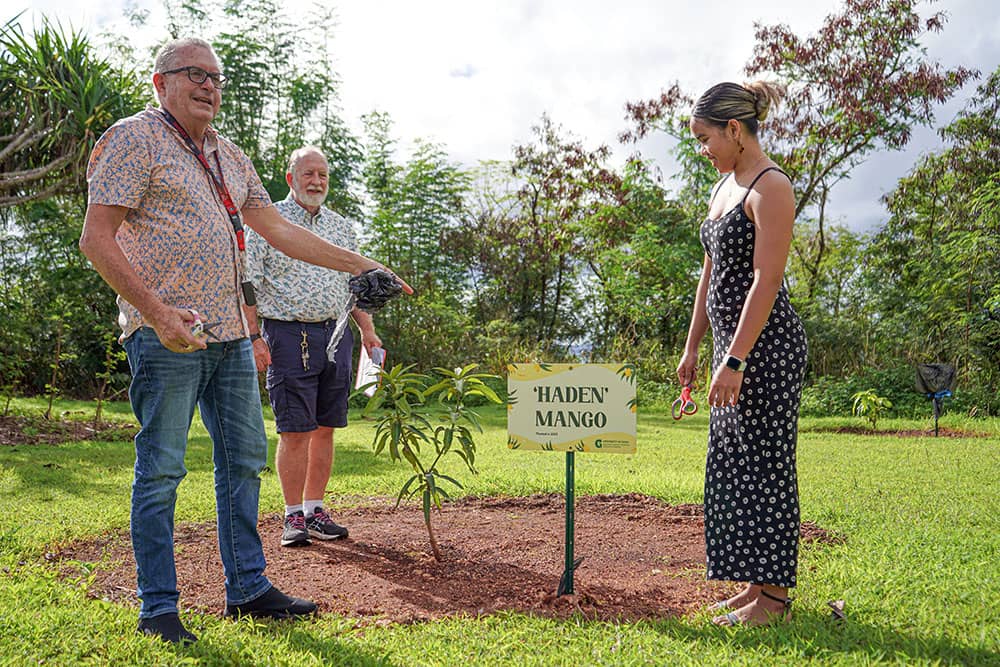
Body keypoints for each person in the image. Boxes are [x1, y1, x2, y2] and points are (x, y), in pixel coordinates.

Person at [78, 38, 409, 644]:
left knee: (243, 465)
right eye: (194, 75)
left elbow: (279, 229)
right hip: (165, 338)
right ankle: (158, 608)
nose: (209, 86)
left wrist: (359, 264)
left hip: (230, 338)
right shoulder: (133, 138)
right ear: (161, 82)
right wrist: (156, 313)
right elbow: (96, 238)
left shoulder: (228, 155)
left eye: (216, 77)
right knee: (161, 472)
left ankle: (248, 589)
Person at [675, 81, 808, 627]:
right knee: (735, 467)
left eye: (705, 138)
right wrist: (693, 348)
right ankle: (755, 586)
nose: (702, 150)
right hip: (731, 350)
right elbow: (710, 273)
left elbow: (766, 278)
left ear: (735, 129)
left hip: (765, 351)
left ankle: (774, 602)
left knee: (767, 467)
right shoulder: (724, 187)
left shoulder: (770, 186)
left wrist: (735, 359)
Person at [243, 146, 381, 548]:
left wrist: (369, 333)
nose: (316, 182)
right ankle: (292, 517)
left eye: (322, 174)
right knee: (295, 429)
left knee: (325, 428)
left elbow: (355, 288)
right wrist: (254, 336)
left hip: (337, 336)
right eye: (308, 174)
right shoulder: (269, 222)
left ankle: (315, 510)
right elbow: (248, 282)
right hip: (286, 334)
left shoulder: (342, 228)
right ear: (291, 179)